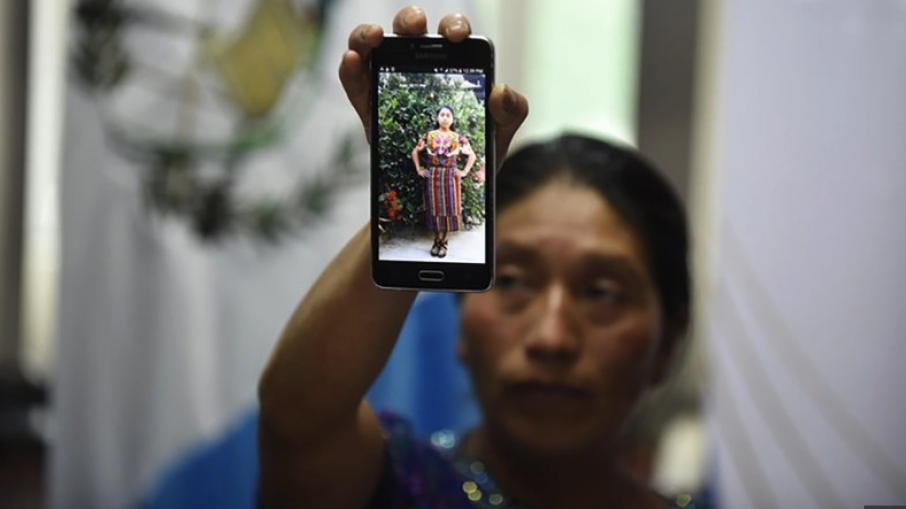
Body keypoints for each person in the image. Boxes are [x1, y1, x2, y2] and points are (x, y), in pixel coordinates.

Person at [258, 7, 709, 509]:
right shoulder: (390, 485)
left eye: (602, 292)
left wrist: (468, 166)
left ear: (668, 341)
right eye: (513, 281)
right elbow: (297, 420)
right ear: (461, 322)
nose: (551, 337)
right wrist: (400, 173)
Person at [412, 104, 477, 258]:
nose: (445, 117)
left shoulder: (458, 138)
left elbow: (472, 155)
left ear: (452, 119)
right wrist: (419, 169)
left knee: (449, 208)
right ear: (437, 117)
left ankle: (444, 241)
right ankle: (436, 240)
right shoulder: (429, 136)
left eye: (448, 115)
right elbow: (415, 151)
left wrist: (464, 171)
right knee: (434, 207)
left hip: (450, 176)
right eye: (442, 114)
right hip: (433, 175)